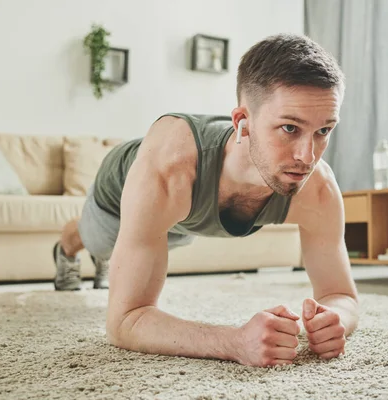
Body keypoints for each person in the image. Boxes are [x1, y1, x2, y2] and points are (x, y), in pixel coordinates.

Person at [52, 33, 359, 367]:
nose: (307, 157)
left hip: (182, 217)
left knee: (171, 237)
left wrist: (335, 320)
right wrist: (235, 342)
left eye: (324, 131)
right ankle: (67, 247)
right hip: (119, 197)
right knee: (99, 244)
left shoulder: (319, 188)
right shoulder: (171, 169)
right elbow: (125, 322)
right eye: (289, 128)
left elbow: (341, 295)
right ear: (243, 122)